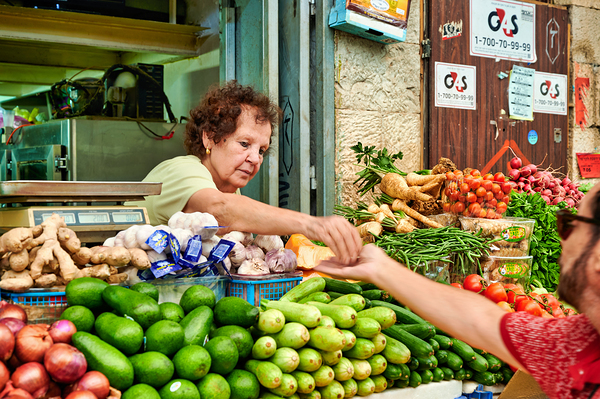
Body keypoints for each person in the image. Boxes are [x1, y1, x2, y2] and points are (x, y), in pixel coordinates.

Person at [316, 182, 600, 399]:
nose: (564, 241)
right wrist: (381, 268)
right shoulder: (577, 344)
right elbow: (481, 320)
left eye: (571, 225)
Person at [130, 80, 361, 264]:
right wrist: (312, 224)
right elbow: (218, 211)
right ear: (210, 136)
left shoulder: (230, 192)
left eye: (261, 150)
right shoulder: (183, 170)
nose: (254, 159)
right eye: (244, 144)